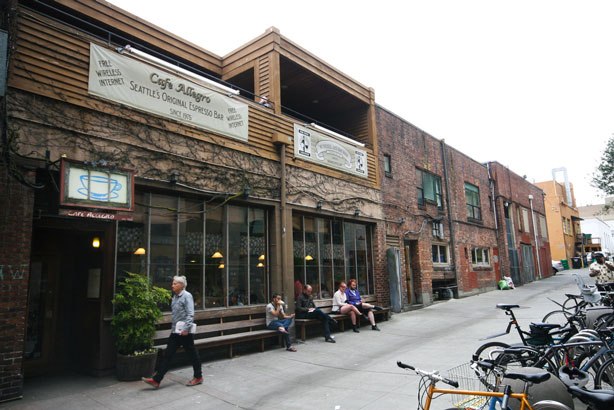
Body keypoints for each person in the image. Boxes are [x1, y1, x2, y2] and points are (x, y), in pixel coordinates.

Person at [143, 275, 203, 389]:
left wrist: (186, 329)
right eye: (173, 283)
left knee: (192, 355)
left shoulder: (187, 296)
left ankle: (198, 377)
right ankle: (156, 380)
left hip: (185, 333)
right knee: (168, 355)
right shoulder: (175, 297)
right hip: (175, 331)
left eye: (175, 284)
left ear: (181, 285)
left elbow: (190, 314)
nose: (172, 285)